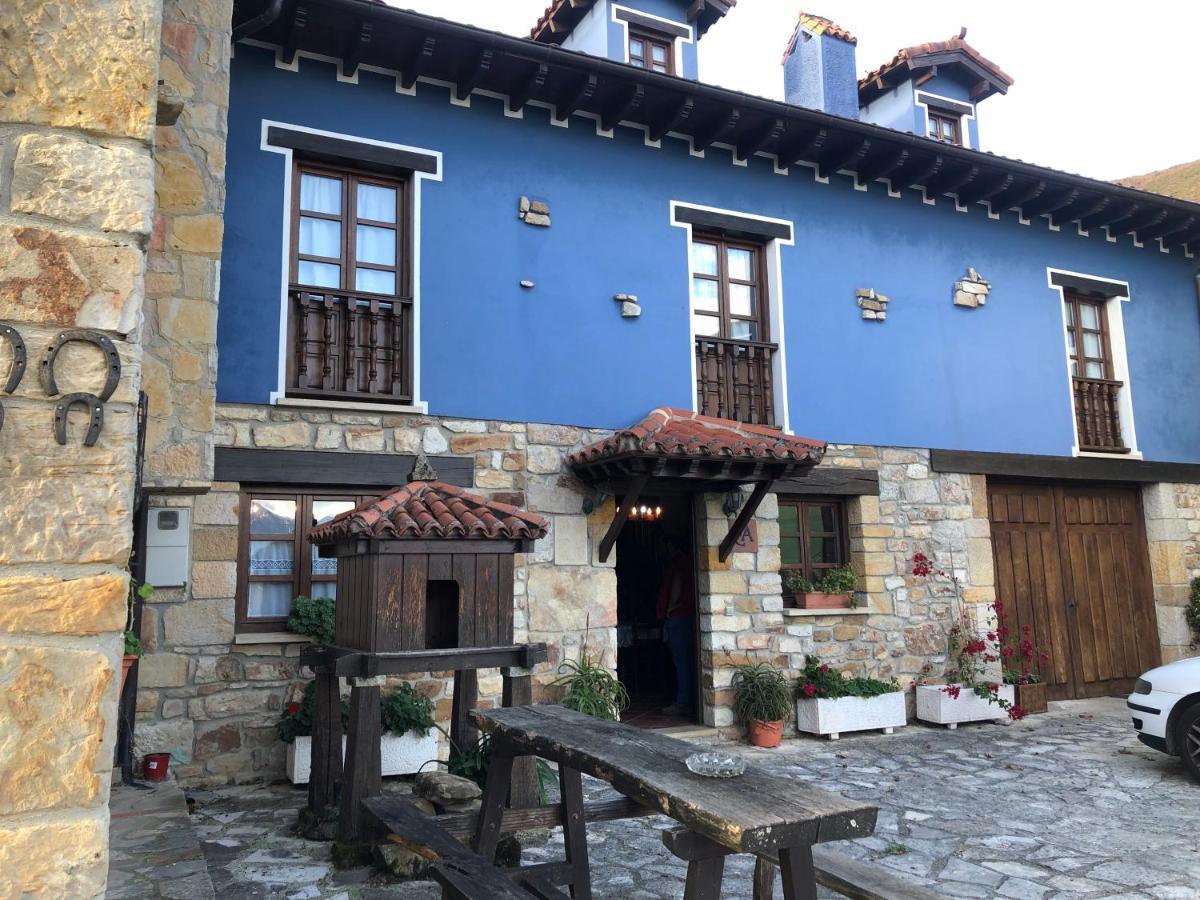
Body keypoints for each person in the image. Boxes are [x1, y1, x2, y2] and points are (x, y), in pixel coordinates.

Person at [656, 538, 696, 717]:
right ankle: (687, 699)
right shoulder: (686, 561)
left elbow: (677, 583)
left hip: (678, 617)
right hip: (684, 616)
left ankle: (683, 701)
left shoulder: (677, 563)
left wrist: (671, 607)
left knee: (681, 661)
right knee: (685, 659)